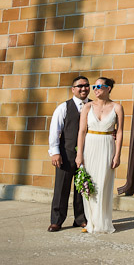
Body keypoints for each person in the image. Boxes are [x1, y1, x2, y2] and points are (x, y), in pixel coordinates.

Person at [76, 77, 124, 233]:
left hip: (107, 146)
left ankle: (103, 222)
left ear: (108, 88)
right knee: (89, 185)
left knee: (103, 184)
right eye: (94, 86)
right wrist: (79, 154)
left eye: (99, 86)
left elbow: (121, 132)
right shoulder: (87, 107)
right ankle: (91, 222)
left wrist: (117, 155)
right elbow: (81, 131)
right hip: (90, 146)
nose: (95, 89)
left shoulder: (117, 107)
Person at [47, 76, 91, 232]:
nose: (83, 88)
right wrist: (55, 153)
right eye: (80, 86)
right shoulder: (64, 107)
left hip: (87, 154)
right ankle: (57, 221)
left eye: (86, 86)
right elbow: (55, 131)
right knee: (61, 188)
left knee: (83, 188)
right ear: (73, 89)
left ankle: (81, 219)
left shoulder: (93, 106)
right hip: (65, 154)